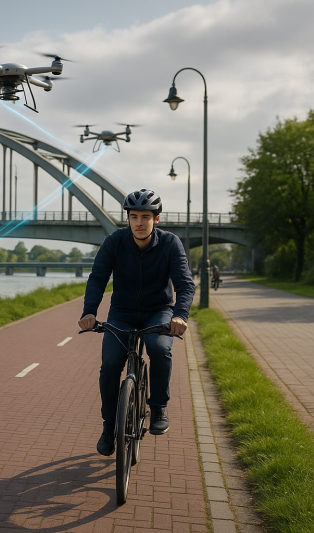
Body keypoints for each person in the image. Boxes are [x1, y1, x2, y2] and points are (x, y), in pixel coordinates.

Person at [78, 189, 195, 457]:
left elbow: (185, 283)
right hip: (122, 312)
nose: (139, 222)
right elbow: (97, 278)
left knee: (159, 348)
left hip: (159, 311)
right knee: (109, 365)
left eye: (145, 216)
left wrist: (180, 315)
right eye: (134, 217)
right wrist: (89, 312)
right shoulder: (114, 242)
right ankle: (109, 427)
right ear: (128, 218)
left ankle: (158, 408)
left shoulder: (170, 243)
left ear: (157, 219)